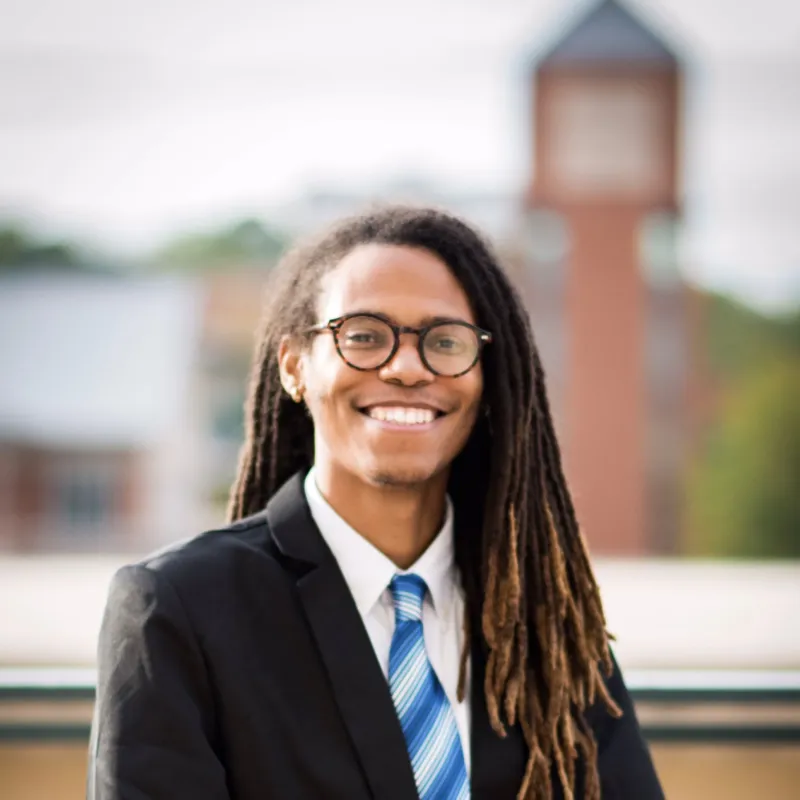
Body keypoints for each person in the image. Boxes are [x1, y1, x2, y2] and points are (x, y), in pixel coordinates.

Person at [88, 206, 664, 800]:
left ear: (487, 377)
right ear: (294, 367)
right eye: (364, 335)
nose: (407, 367)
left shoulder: (544, 617)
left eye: (445, 341)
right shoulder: (179, 608)